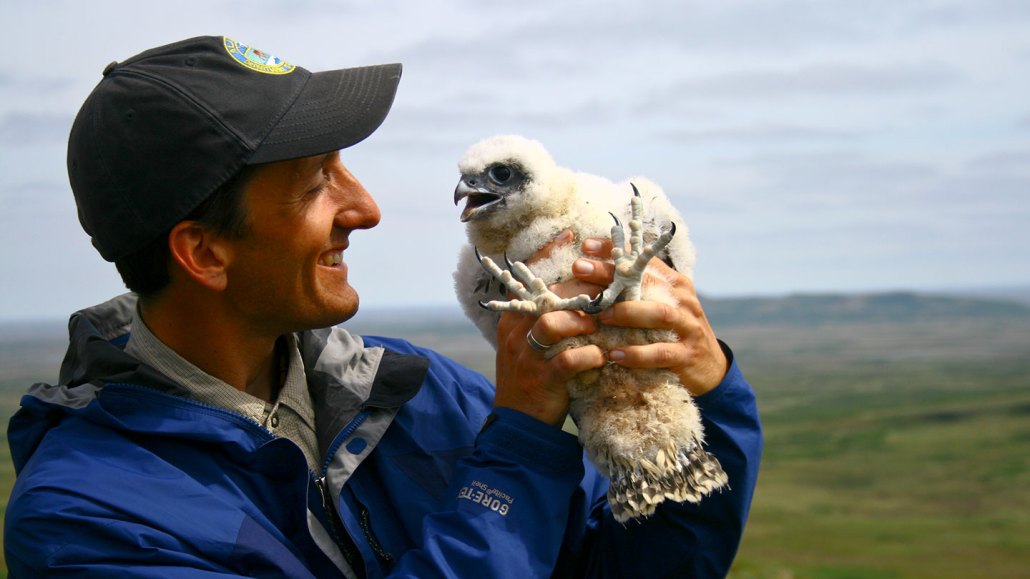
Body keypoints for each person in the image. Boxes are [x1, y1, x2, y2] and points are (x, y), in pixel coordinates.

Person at [4, 35, 762, 578]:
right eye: (314, 185)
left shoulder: (418, 391)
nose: (364, 207)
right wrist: (521, 445)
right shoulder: (90, 518)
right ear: (206, 253)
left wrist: (709, 392)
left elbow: (635, 564)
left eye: (345, 168)